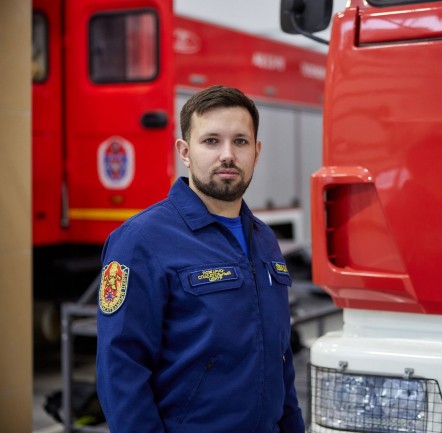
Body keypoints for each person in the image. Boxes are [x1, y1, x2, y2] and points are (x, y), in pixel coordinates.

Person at [96, 85, 305, 433]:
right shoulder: (141, 241)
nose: (228, 155)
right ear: (185, 151)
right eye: (211, 141)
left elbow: (280, 360)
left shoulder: (265, 240)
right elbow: (121, 371)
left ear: (256, 152)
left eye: (240, 141)